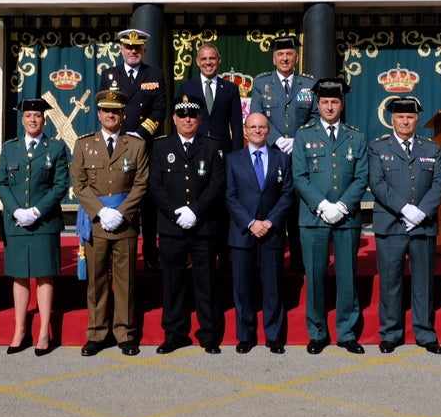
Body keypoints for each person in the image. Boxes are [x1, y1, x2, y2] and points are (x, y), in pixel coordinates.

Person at [291, 77, 369, 354]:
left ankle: (346, 332)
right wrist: (323, 205)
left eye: (334, 102)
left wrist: (342, 207)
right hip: (314, 217)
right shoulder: (304, 135)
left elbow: (361, 177)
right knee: (315, 278)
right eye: (325, 102)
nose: (329, 107)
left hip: (347, 218)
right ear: (318, 104)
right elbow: (299, 177)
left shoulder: (356, 136)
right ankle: (317, 332)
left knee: (347, 278)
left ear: (342, 104)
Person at [71, 88, 150, 356]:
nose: (111, 115)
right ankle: (97, 333)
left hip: (126, 222)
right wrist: (102, 212)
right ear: (99, 114)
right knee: (97, 281)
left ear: (123, 114)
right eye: (106, 111)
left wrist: (122, 212)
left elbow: (141, 183)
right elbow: (79, 184)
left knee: (125, 281)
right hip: (96, 222)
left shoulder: (136, 145)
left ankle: (125, 333)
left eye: (115, 111)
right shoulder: (83, 144)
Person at [367, 96, 441, 355]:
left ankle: (425, 333)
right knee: (390, 282)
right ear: (392, 119)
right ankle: (390, 333)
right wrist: (405, 209)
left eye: (410, 117)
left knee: (424, 282)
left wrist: (420, 213)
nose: (405, 121)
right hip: (391, 224)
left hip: (423, 224)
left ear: (417, 120)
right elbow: (377, 184)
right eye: (400, 117)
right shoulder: (378, 148)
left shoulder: (431, 148)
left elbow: (439, 183)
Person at [149, 95, 227, 354]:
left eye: (192, 115)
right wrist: (176, 213)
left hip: (203, 226)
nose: (187, 120)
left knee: (206, 282)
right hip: (172, 227)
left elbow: (217, 184)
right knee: (173, 283)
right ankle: (174, 334)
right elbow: (155, 186)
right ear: (174, 119)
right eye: (182, 115)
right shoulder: (161, 146)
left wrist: (195, 210)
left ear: (200, 119)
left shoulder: (212, 146)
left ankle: (209, 334)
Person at [0, 97, 70, 356]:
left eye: (37, 116)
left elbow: (60, 185)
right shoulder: (10, 148)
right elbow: (1, 183)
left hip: (44, 222)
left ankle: (44, 331)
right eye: (28, 116)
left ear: (44, 120)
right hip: (16, 222)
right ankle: (19, 330)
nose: (33, 120)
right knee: (19, 275)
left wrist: (37, 211)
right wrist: (16, 210)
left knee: (44, 274)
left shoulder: (56, 147)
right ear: (22, 120)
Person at [226, 112, 295, 354]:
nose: (257, 131)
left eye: (262, 127)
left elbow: (287, 194)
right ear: (245, 130)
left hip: (271, 232)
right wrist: (250, 222)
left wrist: (269, 222)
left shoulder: (282, 159)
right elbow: (230, 196)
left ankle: (274, 336)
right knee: (242, 289)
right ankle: (245, 336)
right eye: (253, 127)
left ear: (268, 130)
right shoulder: (233, 159)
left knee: (273, 287)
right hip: (243, 233)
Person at [99, 28, 167, 271]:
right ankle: (112, 255)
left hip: (144, 146)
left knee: (147, 202)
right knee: (116, 197)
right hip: (117, 146)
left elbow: (159, 109)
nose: (133, 51)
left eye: (137, 48)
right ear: (121, 49)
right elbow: (105, 108)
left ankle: (150, 254)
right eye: (128, 47)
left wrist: (140, 134)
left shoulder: (155, 74)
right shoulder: (109, 75)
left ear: (144, 50)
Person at [250, 35, 315, 271]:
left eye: (289, 54)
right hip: (272, 155)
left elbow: (316, 116)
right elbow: (256, 116)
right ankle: (271, 264)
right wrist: (277, 139)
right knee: (271, 207)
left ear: (296, 58)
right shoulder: (261, 83)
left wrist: (298, 139)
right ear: (274, 58)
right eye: (280, 54)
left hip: (301, 157)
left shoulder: (309, 84)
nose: (285, 58)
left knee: (298, 210)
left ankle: (299, 263)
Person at [177, 43, 243, 151]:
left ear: (219, 59)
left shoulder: (231, 89)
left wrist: (237, 154)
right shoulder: (187, 87)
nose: (208, 62)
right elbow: (180, 121)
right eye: (204, 59)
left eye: (212, 58)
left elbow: (237, 126)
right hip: (194, 149)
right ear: (197, 61)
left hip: (223, 149)